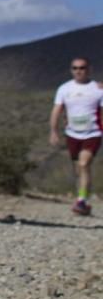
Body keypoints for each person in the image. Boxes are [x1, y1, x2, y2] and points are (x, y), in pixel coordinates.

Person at [49, 57, 102, 216]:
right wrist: (53, 131)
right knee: (79, 169)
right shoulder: (64, 89)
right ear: (71, 70)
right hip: (72, 134)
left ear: (89, 69)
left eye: (82, 68)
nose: (79, 71)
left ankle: (81, 201)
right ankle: (83, 200)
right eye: (75, 68)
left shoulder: (98, 89)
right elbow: (56, 110)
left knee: (84, 164)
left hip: (93, 133)